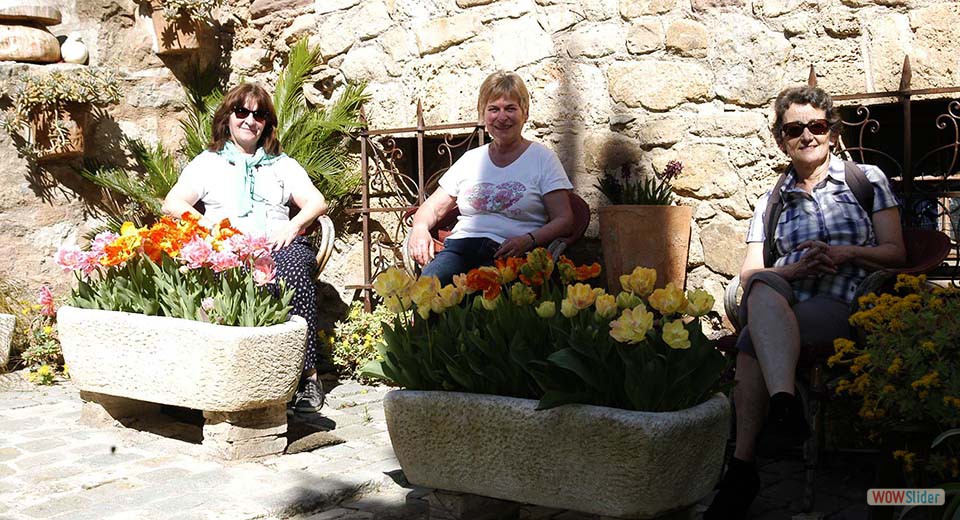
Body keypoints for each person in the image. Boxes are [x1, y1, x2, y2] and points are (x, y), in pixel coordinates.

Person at [705, 85, 906, 519]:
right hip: (786, 297)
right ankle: (784, 403)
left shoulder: (866, 180)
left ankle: (743, 467)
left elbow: (896, 251)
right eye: (794, 129)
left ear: (831, 132)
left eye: (816, 126)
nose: (807, 135)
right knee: (761, 287)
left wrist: (846, 253)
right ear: (781, 139)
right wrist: (791, 272)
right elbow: (750, 272)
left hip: (842, 300)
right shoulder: (771, 200)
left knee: (748, 344)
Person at [162, 83, 328, 414]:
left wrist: (293, 225)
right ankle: (209, 377)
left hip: (275, 243)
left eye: (259, 114)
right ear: (228, 117)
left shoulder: (282, 164)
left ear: (267, 123)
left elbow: (317, 202)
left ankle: (307, 377)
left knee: (294, 268)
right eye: (242, 112)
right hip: (225, 247)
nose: (250, 120)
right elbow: (173, 202)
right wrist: (210, 227)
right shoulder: (208, 163)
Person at [408, 71, 574, 285]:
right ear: (483, 114)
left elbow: (565, 220)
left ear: (525, 112)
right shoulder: (470, 159)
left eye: (510, 108)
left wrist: (529, 240)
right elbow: (432, 208)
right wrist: (419, 230)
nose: (502, 117)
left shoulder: (543, 159)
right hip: (460, 250)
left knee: (490, 301)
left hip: (512, 254)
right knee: (427, 290)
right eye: (493, 109)